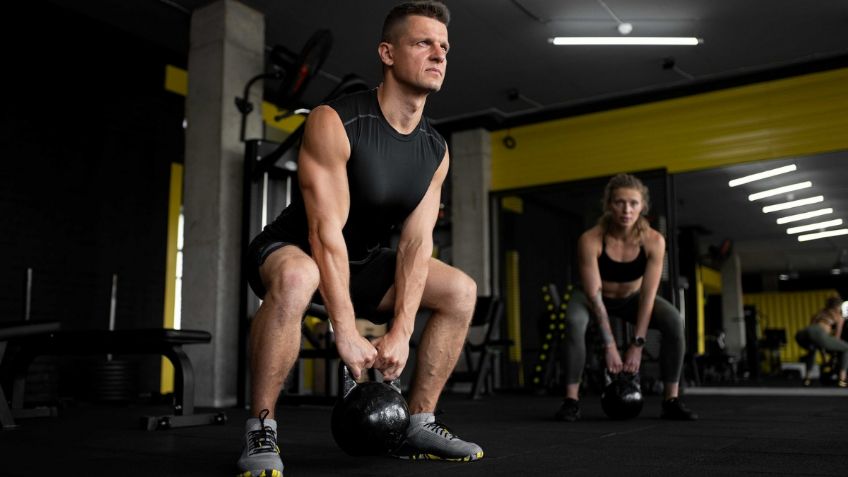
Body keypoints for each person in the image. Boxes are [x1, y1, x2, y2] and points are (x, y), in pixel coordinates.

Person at [236, 2, 483, 476]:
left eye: (444, 47)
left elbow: (415, 245)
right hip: (291, 250)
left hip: (362, 262)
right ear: (387, 53)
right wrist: (345, 330)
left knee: (460, 291)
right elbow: (323, 234)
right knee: (298, 272)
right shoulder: (336, 120)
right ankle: (260, 427)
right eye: (423, 43)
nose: (439, 54)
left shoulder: (436, 150)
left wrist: (402, 333)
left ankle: (418, 423)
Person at [554, 173, 698, 422]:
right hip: (592, 298)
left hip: (633, 298)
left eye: (633, 203)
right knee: (573, 322)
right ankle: (571, 400)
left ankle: (671, 399)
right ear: (609, 204)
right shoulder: (590, 240)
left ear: (643, 206)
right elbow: (594, 294)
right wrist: (609, 345)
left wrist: (638, 344)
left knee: (674, 320)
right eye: (619, 202)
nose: (626, 210)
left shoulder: (654, 241)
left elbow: (648, 293)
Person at [795, 295, 848, 387]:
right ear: (837, 306)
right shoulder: (839, 316)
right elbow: (836, 337)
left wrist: (824, 359)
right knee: (846, 348)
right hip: (818, 333)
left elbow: (815, 337)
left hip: (802, 333)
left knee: (812, 350)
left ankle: (807, 379)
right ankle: (842, 379)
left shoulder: (819, 313)